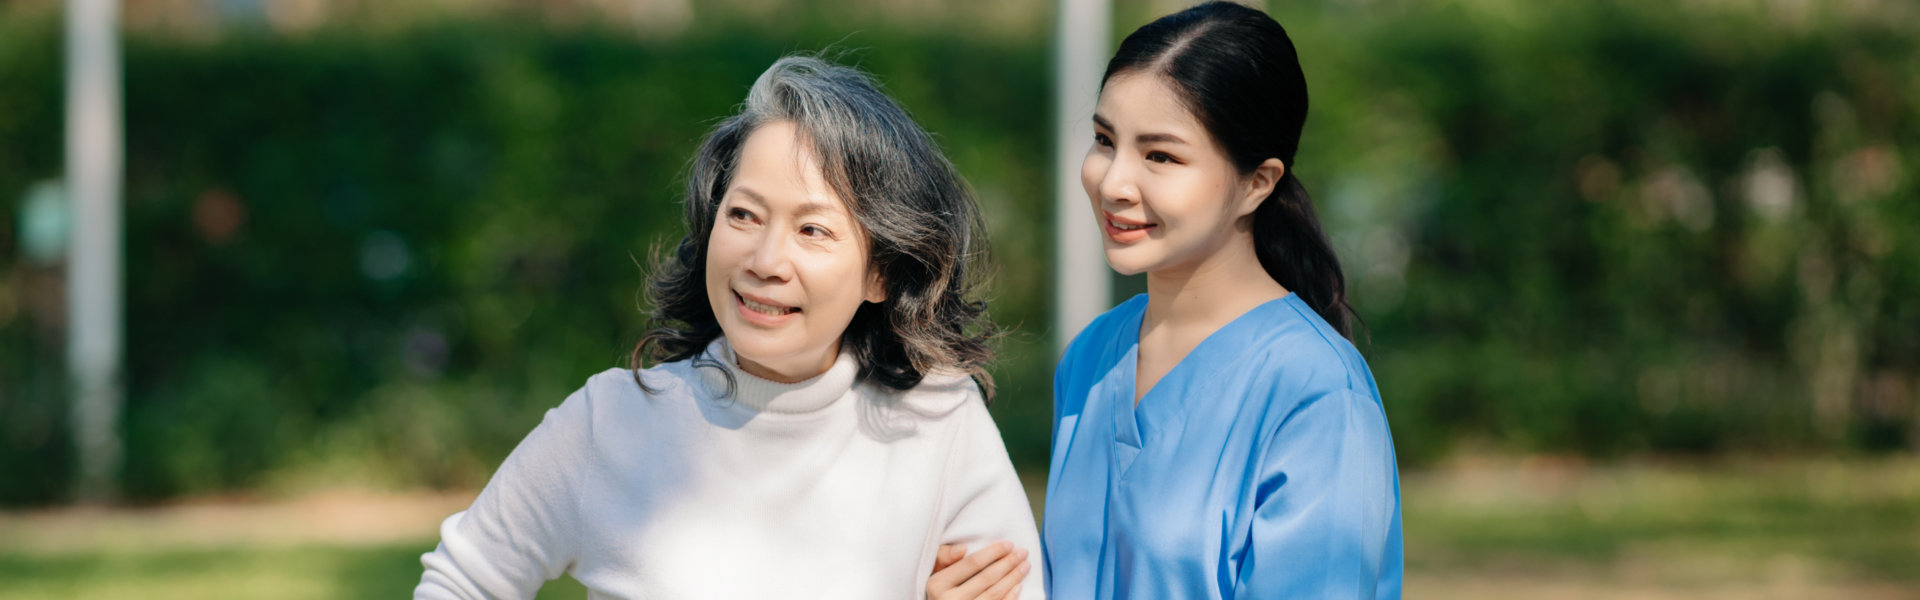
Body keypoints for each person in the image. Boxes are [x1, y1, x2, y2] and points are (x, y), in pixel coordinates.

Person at [416, 55, 1041, 599]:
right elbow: (460, 583)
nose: (765, 261)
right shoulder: (610, 423)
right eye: (743, 214)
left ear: (882, 274)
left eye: (813, 230)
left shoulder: (939, 423)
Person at [937, 2, 1403, 597]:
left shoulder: (1317, 393)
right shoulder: (1093, 357)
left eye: (1161, 156)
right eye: (1104, 140)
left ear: (1257, 182)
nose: (1113, 183)